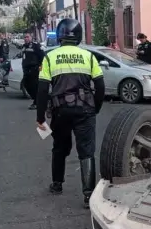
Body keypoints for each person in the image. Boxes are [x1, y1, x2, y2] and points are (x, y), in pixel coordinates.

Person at [36, 18, 105, 208]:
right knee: (86, 150)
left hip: (60, 112)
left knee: (60, 148)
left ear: (59, 36)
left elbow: (42, 90)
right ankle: (88, 194)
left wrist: (40, 117)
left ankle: (57, 184)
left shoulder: (50, 57)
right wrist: (96, 108)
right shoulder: (88, 57)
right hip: (85, 111)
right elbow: (100, 85)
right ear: (79, 36)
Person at [21, 33, 45, 110]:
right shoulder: (24, 46)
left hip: (34, 69)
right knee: (26, 85)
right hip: (27, 70)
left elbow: (42, 56)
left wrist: (40, 67)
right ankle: (37, 100)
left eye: (27, 37)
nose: (26, 38)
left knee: (35, 87)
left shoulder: (36, 45)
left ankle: (37, 103)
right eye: (25, 37)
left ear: (31, 37)